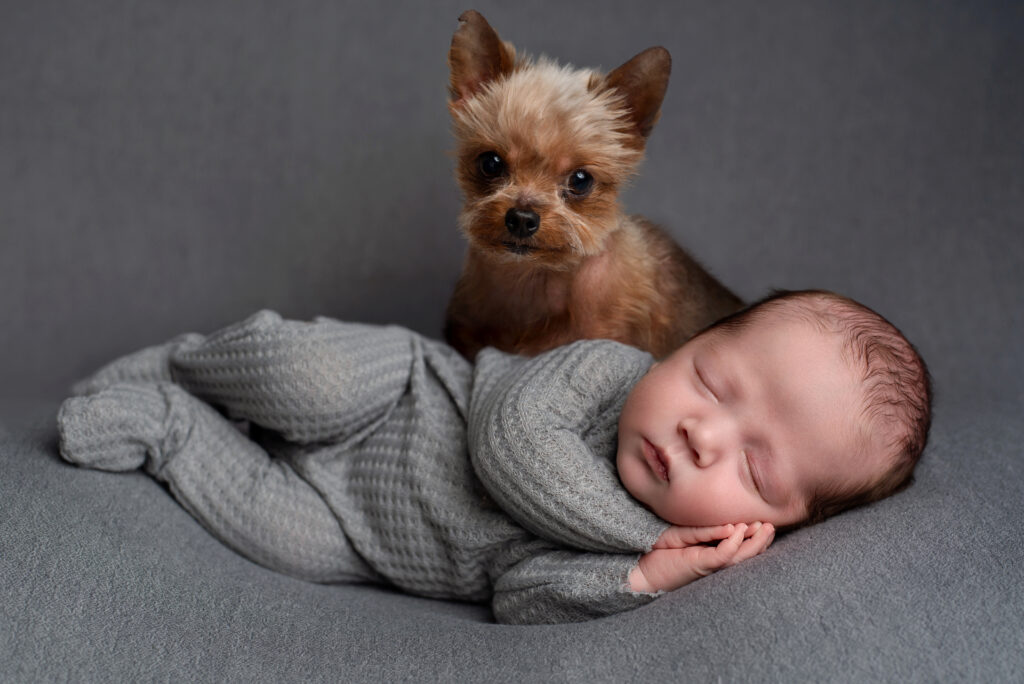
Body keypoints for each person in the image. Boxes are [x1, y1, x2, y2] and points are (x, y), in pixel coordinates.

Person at [57, 290, 931, 624]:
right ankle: (186, 362)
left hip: (361, 533)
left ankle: (168, 426)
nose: (706, 433)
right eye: (711, 381)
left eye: (756, 470)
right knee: (305, 376)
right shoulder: (606, 373)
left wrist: (640, 582)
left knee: (282, 541)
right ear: (679, 348)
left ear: (767, 526)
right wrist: (626, 538)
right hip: (397, 395)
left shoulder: (655, 556)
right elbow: (508, 446)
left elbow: (519, 598)